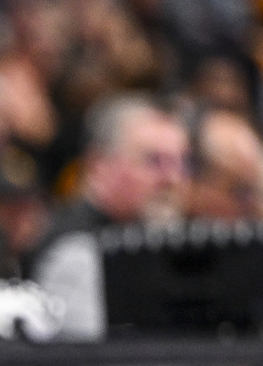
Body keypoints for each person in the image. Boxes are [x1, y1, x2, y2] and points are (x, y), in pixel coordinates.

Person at [29, 92, 190, 341]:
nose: (172, 179)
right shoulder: (71, 248)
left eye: (181, 162)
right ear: (98, 165)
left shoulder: (163, 236)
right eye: (153, 161)